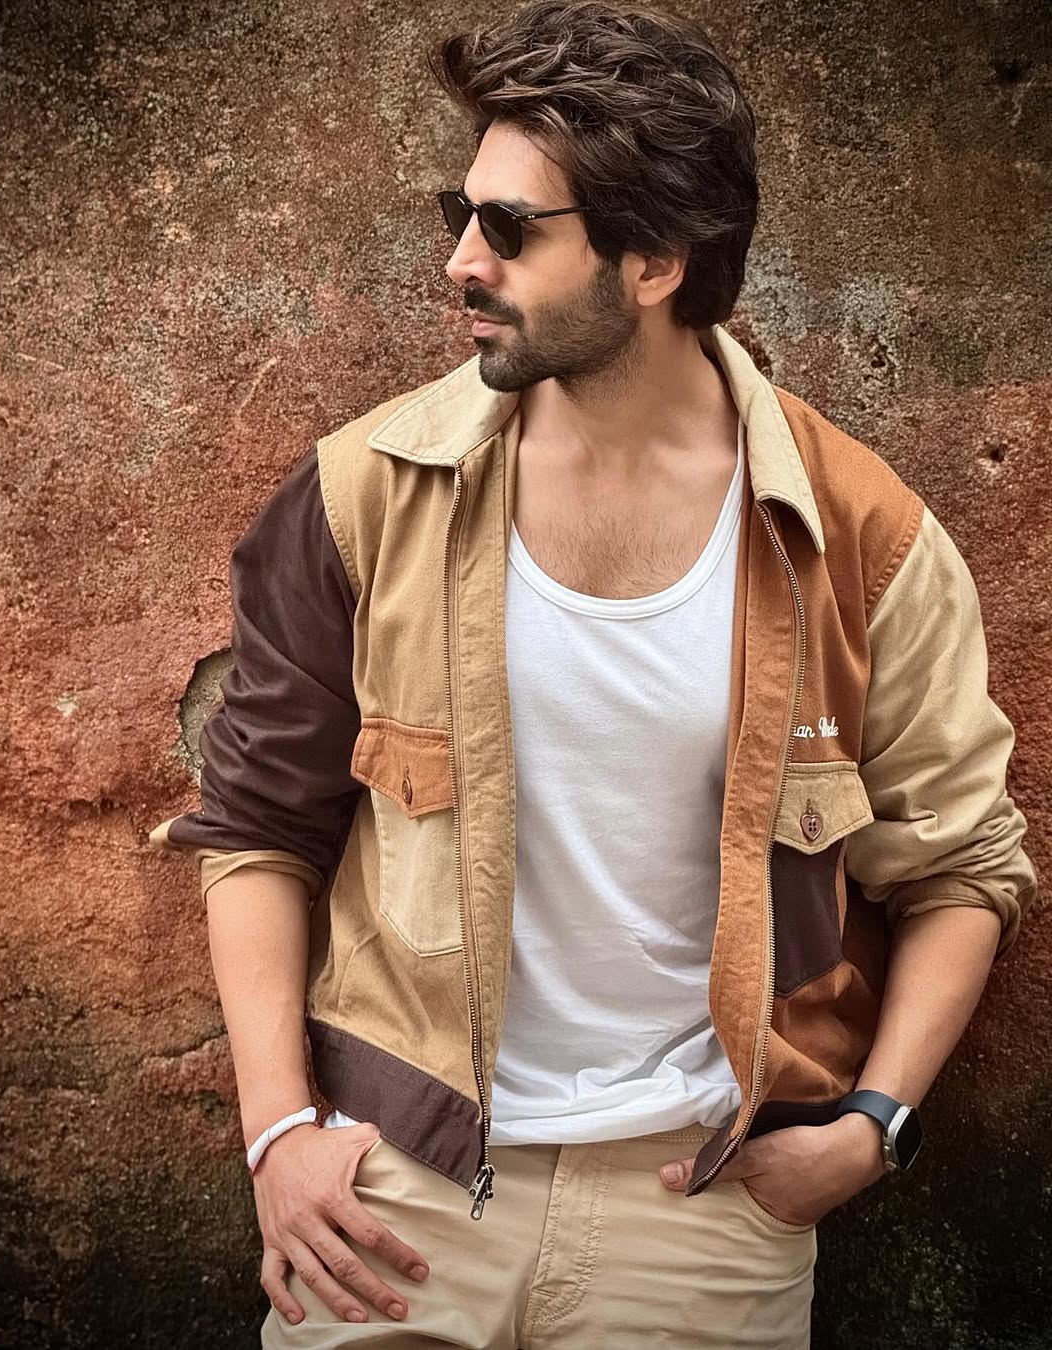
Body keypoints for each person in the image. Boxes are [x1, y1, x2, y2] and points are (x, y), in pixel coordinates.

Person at [152, 2, 1037, 1346]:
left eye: (512, 229)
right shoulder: (362, 495)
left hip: (705, 1201)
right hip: (395, 1188)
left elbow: (963, 864)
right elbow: (259, 826)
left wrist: (872, 1128)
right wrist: (279, 1132)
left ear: (657, 262)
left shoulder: (862, 535)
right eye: (461, 211)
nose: (462, 259)